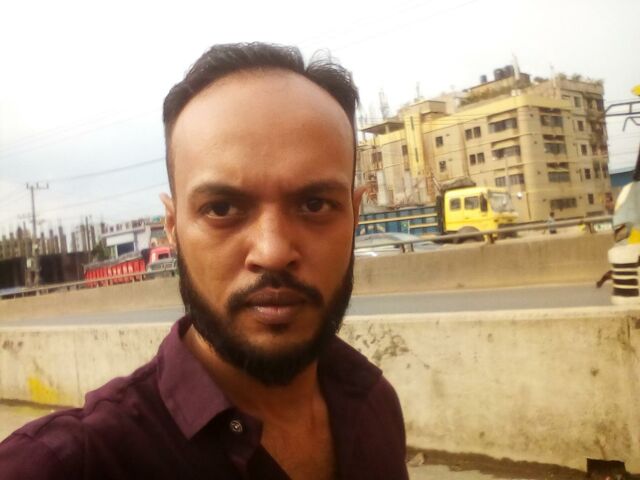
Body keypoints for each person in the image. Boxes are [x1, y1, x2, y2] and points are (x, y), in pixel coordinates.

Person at [0, 43, 409, 479]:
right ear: (172, 228)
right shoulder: (69, 465)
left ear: (355, 216)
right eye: (221, 209)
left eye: (314, 205)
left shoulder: (374, 404)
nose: (272, 251)